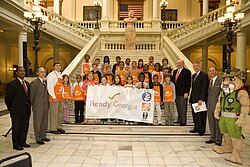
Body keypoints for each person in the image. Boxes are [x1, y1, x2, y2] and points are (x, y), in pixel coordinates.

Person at [5, 66, 31, 150]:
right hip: (16, 111)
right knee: (16, 128)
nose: (23, 72)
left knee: (24, 127)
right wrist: (12, 108)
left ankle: (23, 142)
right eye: (20, 71)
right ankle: (16, 145)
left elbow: (28, 97)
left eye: (24, 71)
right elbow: (8, 99)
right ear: (17, 73)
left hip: (26, 110)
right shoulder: (12, 84)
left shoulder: (27, 83)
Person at [30, 67, 50, 145]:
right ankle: (38, 138)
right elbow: (32, 95)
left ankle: (43, 136)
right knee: (37, 123)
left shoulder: (45, 82)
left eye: (44, 72)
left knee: (44, 122)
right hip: (38, 106)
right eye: (41, 72)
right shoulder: (34, 83)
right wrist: (31, 106)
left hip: (45, 106)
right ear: (37, 73)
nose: (43, 73)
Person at [189, 62, 209, 136]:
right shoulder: (194, 75)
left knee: (201, 115)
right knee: (195, 115)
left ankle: (201, 130)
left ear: (200, 66)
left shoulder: (204, 75)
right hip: (194, 99)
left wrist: (201, 99)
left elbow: (204, 88)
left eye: (197, 66)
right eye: (194, 66)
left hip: (200, 100)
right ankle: (196, 128)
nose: (195, 68)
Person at [171, 59, 191, 126]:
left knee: (183, 107)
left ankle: (183, 121)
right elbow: (173, 82)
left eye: (180, 63)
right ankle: (179, 119)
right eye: (178, 63)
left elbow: (188, 83)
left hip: (183, 93)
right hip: (176, 92)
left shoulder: (187, 71)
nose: (179, 64)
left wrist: (186, 92)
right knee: (178, 107)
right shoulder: (175, 71)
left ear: (183, 64)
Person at [205, 66, 222, 145]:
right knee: (211, 121)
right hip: (209, 104)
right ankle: (212, 137)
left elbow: (221, 94)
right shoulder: (209, 81)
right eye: (210, 71)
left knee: (217, 122)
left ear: (216, 71)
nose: (211, 72)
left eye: (213, 70)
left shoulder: (220, 81)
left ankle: (218, 140)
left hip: (217, 105)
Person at [47, 62, 65, 134]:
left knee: (60, 113)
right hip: (54, 98)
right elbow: (50, 87)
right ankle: (53, 128)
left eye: (59, 66)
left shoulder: (60, 75)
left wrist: (62, 95)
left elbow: (61, 86)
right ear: (53, 67)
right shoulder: (51, 75)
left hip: (60, 97)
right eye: (56, 66)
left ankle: (58, 127)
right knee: (54, 113)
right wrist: (54, 97)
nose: (58, 67)